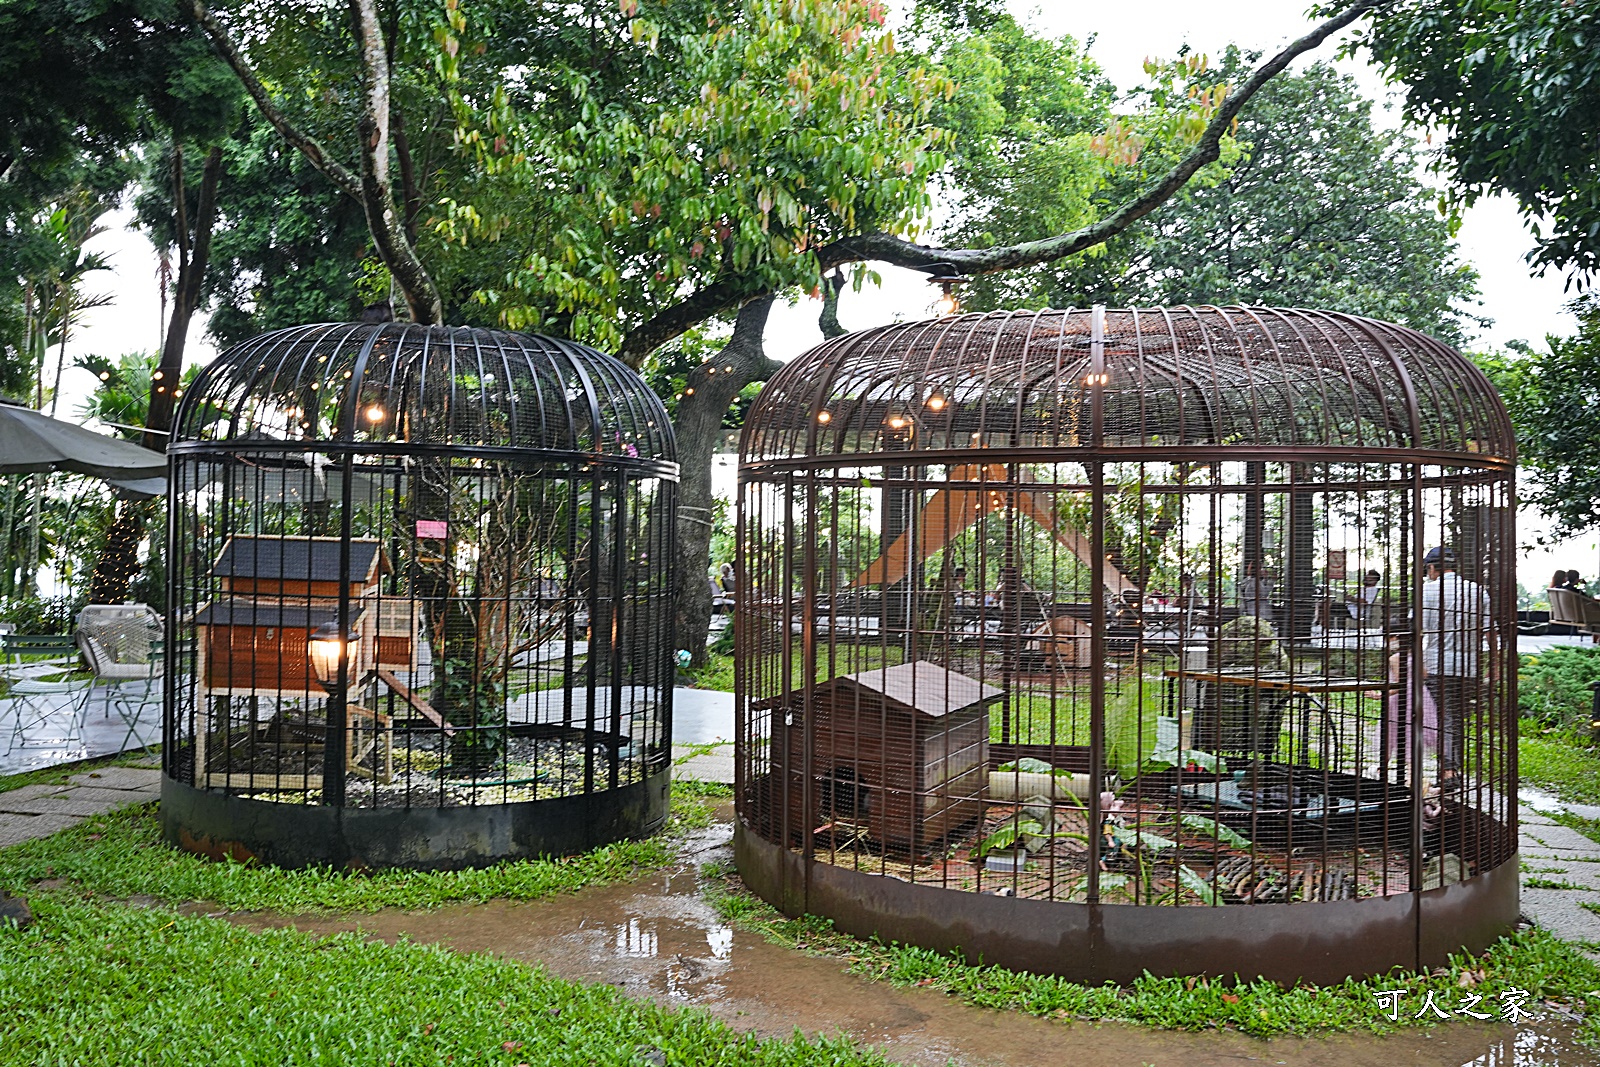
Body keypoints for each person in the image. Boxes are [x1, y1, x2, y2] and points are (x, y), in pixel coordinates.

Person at [1418, 546, 1489, 791]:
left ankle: (1449, 771)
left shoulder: (1427, 591)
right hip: (1468, 666)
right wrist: (1495, 666)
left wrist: (1418, 663)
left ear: (1431, 568)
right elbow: (1490, 631)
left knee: (1443, 717)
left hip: (1438, 664)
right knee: (1457, 717)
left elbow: (1418, 632)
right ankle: (1452, 768)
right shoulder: (1477, 590)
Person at [1236, 559, 1275, 624]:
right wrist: (1272, 581)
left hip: (1252, 611)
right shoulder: (1254, 582)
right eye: (1262, 568)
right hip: (1258, 613)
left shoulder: (1248, 581)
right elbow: (1264, 593)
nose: (1264, 570)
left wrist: (1266, 579)